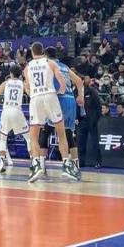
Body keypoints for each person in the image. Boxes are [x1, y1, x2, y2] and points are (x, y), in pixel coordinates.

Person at [23, 42, 78, 183]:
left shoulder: (27, 67)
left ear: (32, 52)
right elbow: (63, 83)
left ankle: (37, 165)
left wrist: (32, 94)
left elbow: (27, 87)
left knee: (33, 135)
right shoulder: (51, 63)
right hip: (50, 97)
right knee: (61, 132)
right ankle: (66, 165)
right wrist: (59, 92)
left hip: (36, 99)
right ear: (42, 51)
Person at [39, 47, 84, 177]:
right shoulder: (64, 66)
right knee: (68, 134)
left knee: (45, 131)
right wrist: (80, 96)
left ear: (45, 56)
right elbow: (79, 81)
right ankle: (76, 166)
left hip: (59, 100)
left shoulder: (48, 65)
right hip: (71, 101)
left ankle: (42, 166)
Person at [78, 75, 103, 168]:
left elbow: (99, 106)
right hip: (82, 120)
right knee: (80, 143)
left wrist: (95, 119)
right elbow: (76, 106)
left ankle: (98, 162)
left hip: (91, 120)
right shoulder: (76, 92)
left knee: (94, 142)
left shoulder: (91, 90)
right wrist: (76, 118)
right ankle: (81, 162)